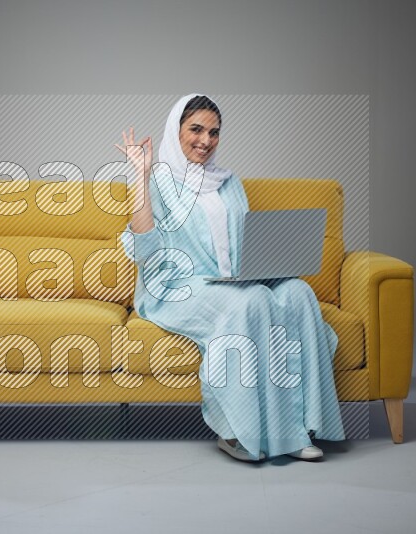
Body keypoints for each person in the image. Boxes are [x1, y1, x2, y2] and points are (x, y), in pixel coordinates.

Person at [114, 93, 346, 462]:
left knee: (299, 292)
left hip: (231, 280)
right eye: (196, 129)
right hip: (179, 288)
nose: (205, 141)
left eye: (214, 132)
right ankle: (240, 433)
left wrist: (265, 266)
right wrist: (139, 177)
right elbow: (144, 248)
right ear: (176, 131)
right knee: (251, 302)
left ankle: (302, 427)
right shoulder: (158, 180)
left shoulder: (228, 182)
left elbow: (243, 243)